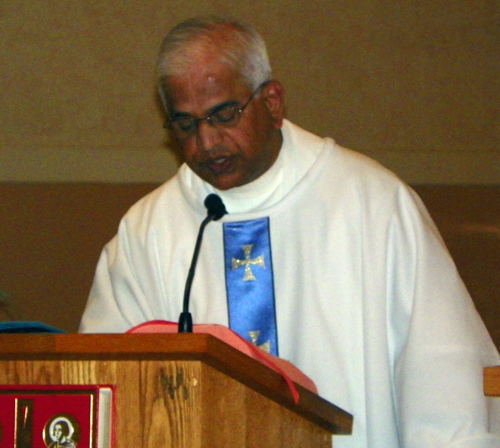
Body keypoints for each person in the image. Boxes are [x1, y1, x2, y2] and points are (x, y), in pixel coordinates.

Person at [79, 16, 500, 447]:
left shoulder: (375, 206)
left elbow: (443, 382)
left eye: (223, 115)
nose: (205, 143)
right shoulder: (148, 233)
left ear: (273, 102)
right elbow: (104, 390)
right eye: (185, 124)